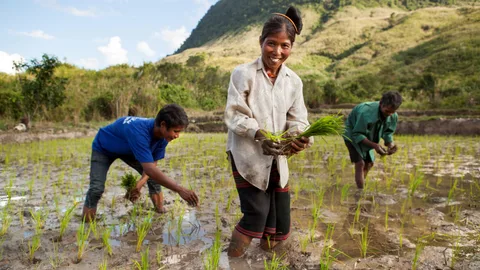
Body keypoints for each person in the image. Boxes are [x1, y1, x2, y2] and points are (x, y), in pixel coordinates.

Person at [224, 6, 312, 257]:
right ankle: (233, 260)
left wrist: (299, 137)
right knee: (256, 214)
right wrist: (259, 134)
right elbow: (235, 114)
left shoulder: (294, 81)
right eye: (271, 43)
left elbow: (298, 119)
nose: (277, 51)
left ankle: (267, 259)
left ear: (291, 47)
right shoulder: (243, 74)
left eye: (285, 45)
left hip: (277, 157)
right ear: (261, 42)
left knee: (279, 220)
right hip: (247, 155)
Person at [82, 104, 199, 222]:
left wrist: (138, 185)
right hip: (104, 147)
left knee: (154, 178)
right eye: (176, 131)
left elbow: (152, 165)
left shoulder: (164, 137)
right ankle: (87, 224)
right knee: (96, 188)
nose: (177, 136)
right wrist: (180, 189)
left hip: (128, 149)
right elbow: (149, 170)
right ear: (163, 125)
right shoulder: (139, 132)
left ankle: (159, 212)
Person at [344, 91, 403, 189]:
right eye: (387, 111)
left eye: (393, 112)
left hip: (369, 134)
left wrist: (390, 144)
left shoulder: (393, 116)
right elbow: (357, 134)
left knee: (369, 163)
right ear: (380, 104)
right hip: (352, 132)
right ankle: (360, 193)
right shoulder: (365, 112)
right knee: (360, 163)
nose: (389, 114)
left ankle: (360, 184)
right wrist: (374, 145)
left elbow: (388, 132)